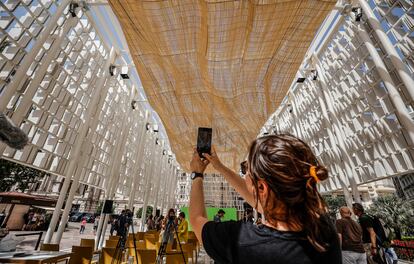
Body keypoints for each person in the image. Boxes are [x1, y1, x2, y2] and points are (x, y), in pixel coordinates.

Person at [189, 134, 341, 264]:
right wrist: (219, 166)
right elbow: (262, 202)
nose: (244, 174)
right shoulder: (323, 231)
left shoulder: (242, 241)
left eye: (245, 168)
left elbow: (196, 219)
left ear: (262, 187)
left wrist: (197, 174)